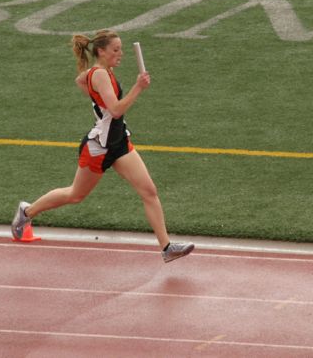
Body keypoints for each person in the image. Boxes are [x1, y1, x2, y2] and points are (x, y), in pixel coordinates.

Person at [11, 30, 194, 264]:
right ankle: (26, 212)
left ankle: (167, 247)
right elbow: (117, 109)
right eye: (116, 50)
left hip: (119, 143)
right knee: (75, 195)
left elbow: (81, 81)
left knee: (149, 191)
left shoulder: (102, 72)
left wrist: (99, 106)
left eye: (121, 49)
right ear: (101, 51)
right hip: (99, 148)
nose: (121, 54)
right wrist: (137, 88)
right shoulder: (99, 75)